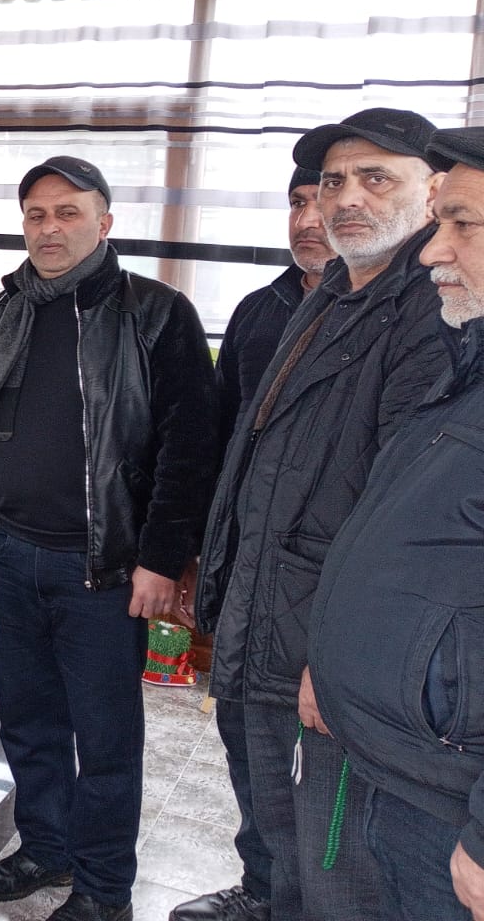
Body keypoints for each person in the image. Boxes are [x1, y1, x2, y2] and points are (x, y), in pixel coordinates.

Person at [0, 156, 220, 921]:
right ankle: (46, 847)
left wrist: (161, 559)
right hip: (12, 557)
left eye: (68, 212)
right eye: (36, 214)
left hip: (106, 572)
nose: (50, 228)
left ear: (104, 221)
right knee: (29, 724)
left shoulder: (156, 314)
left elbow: (190, 449)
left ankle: (103, 887)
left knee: (107, 739)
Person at [195, 108, 450, 921]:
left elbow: (406, 520)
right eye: (334, 181)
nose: (346, 198)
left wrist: (338, 659)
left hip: (330, 654)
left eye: (377, 178)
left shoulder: (433, 311)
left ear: (433, 193)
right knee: (282, 842)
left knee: (338, 868)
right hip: (271, 618)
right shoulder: (332, 290)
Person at [311, 126, 484, 921]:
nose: (433, 251)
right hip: (410, 769)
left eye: (462, 224)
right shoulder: (468, 363)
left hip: (452, 802)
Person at [173, 166, 328, 921]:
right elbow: (217, 444)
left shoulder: (409, 317)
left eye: (324, 200)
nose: (309, 218)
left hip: (327, 585)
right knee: (245, 738)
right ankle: (262, 887)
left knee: (316, 769)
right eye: (297, 202)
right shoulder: (260, 312)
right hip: (246, 573)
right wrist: (196, 553)